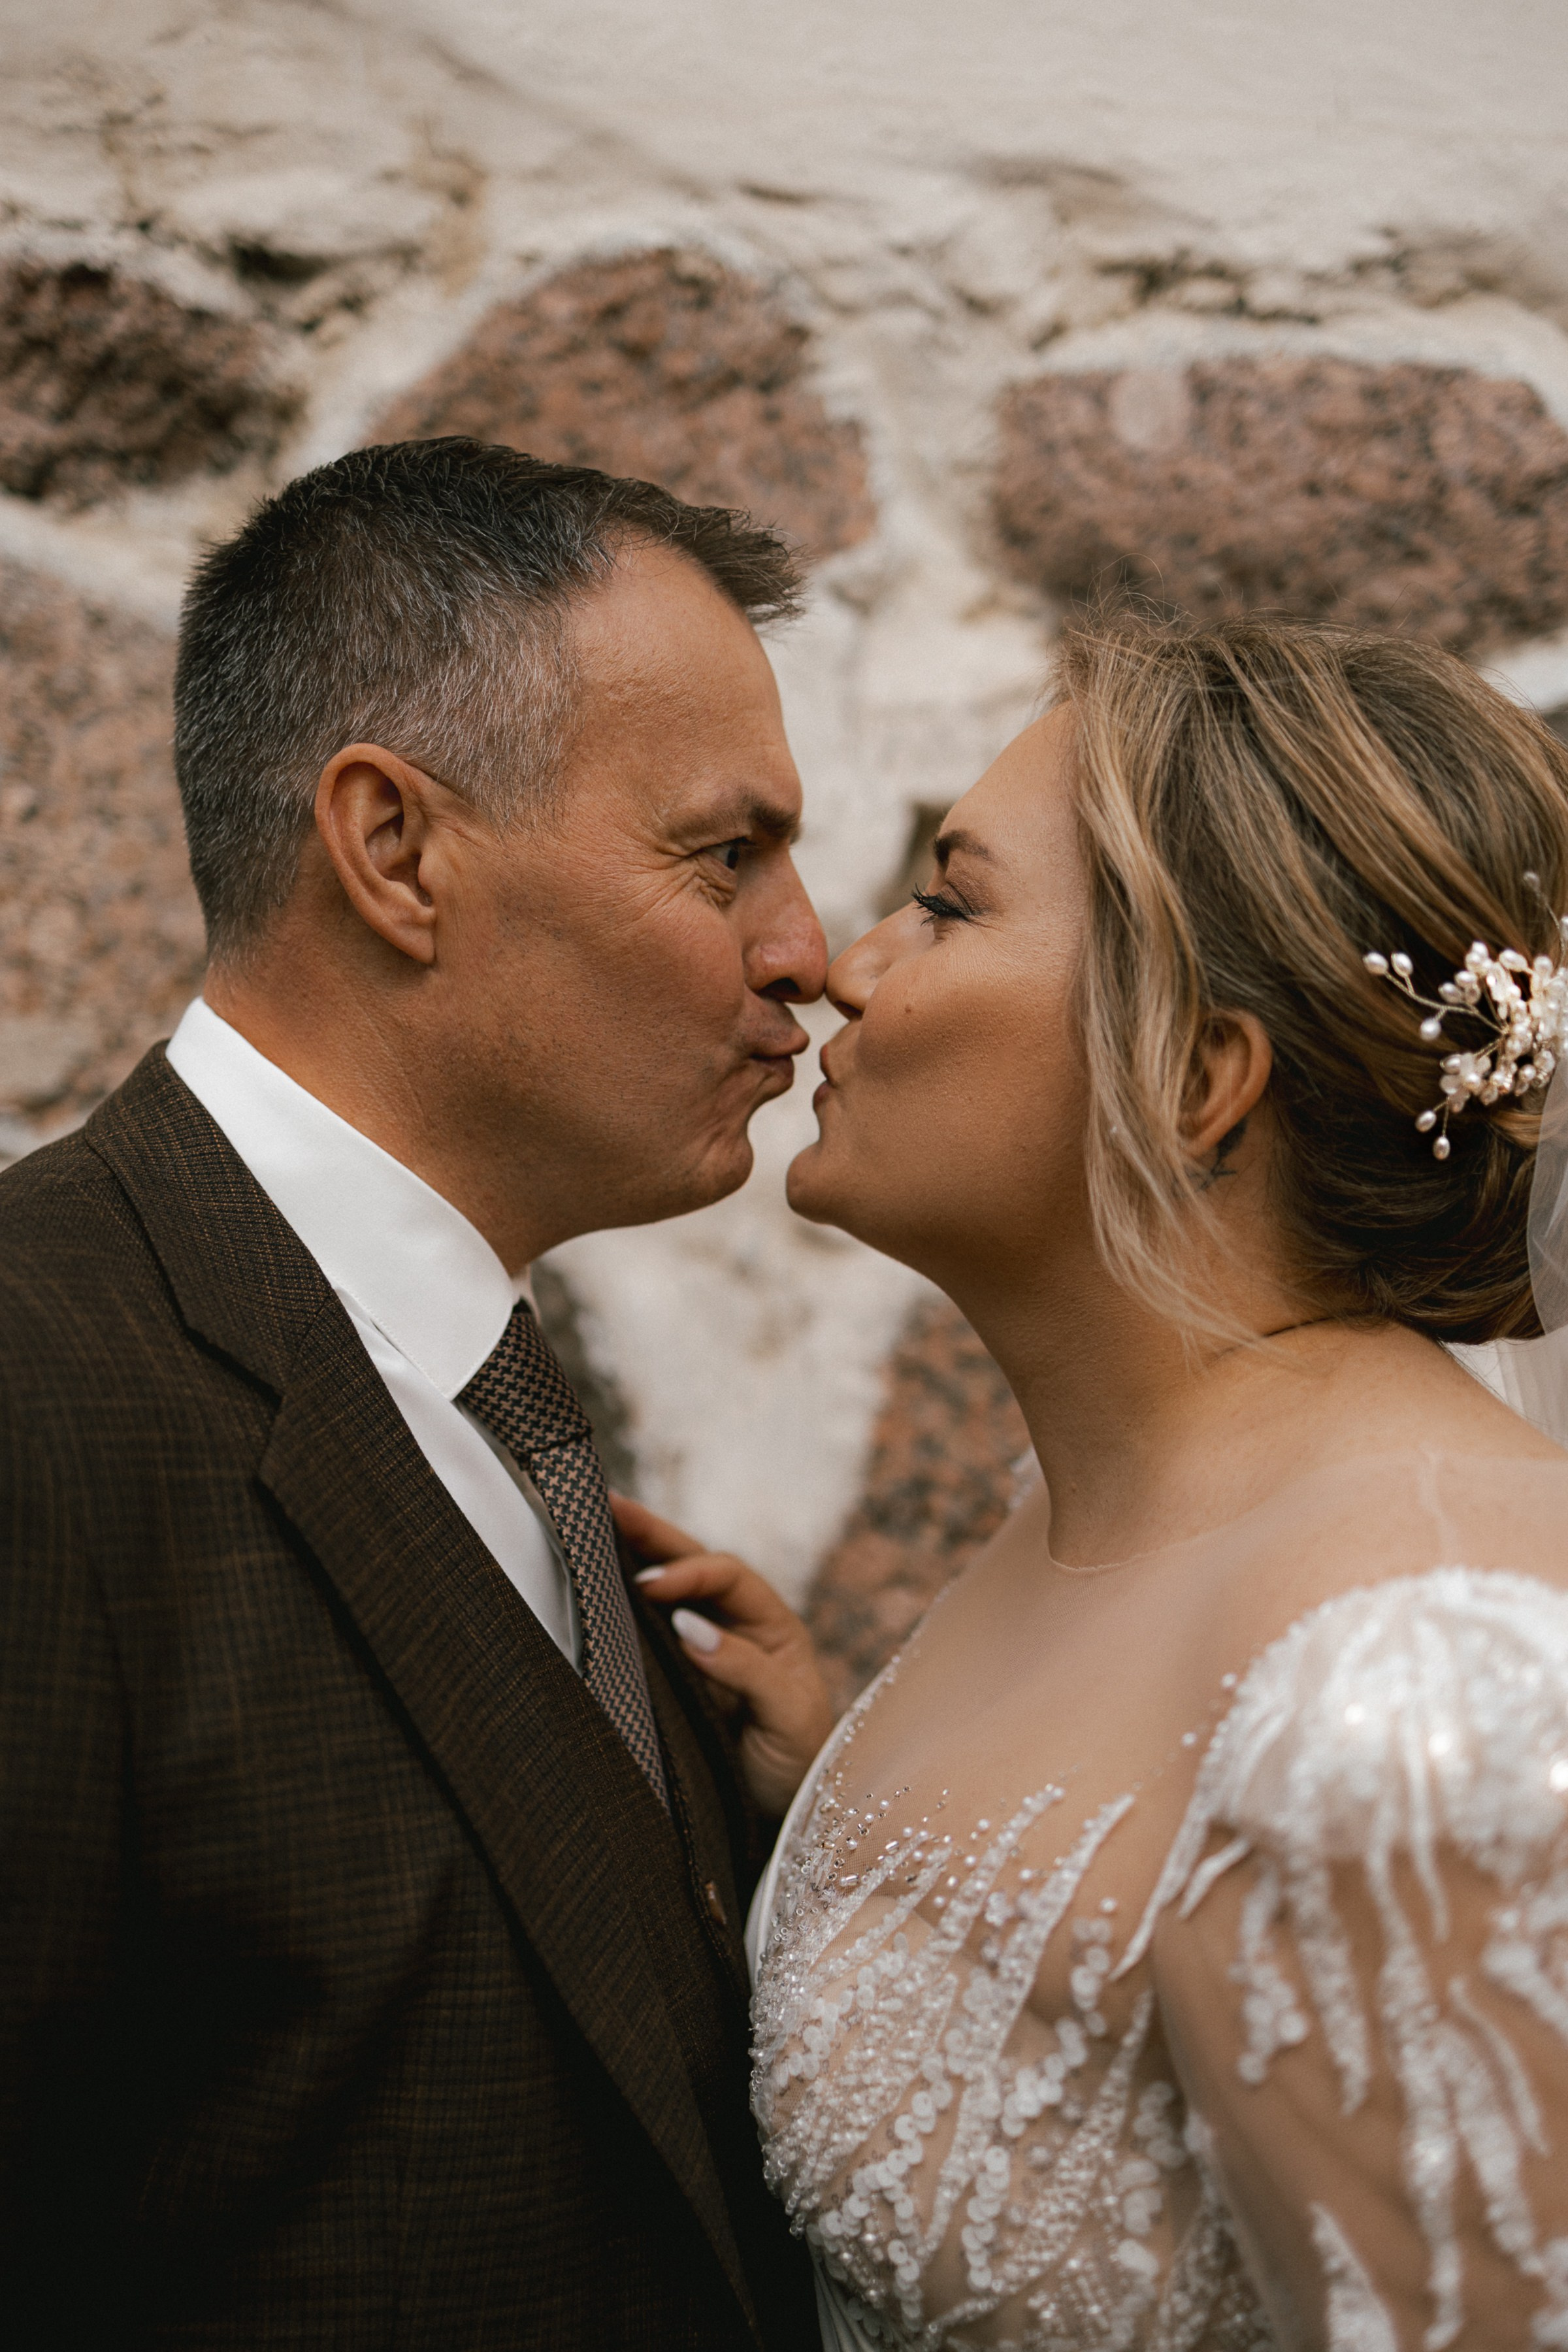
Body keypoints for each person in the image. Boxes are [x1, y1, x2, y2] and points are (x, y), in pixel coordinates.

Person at [0, 437, 836, 2349]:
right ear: (396, 850)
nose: (804, 955)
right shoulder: (38, 1391)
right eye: (727, 852)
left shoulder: (492, 1400)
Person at [729, 612, 1568, 2349]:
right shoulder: (1100, 1503)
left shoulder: (1415, 1710)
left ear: (1195, 1074)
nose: (845, 965)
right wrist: (843, 1807)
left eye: (950, 903)